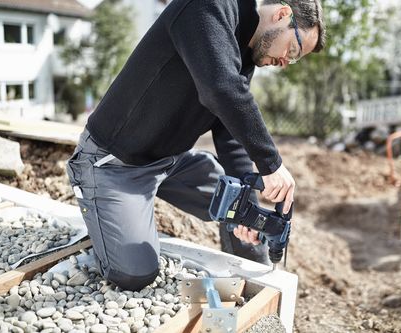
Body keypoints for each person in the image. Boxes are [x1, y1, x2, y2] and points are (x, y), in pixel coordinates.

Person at [66, 0, 326, 291]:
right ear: (282, 15)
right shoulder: (208, 6)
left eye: (294, 60)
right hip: (114, 164)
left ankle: (251, 280)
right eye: (292, 50)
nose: (285, 62)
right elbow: (220, 88)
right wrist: (271, 164)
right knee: (134, 274)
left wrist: (248, 211)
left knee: (239, 205)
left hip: (171, 161)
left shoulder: (248, 50)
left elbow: (229, 132)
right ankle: (105, 209)